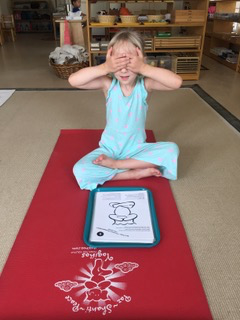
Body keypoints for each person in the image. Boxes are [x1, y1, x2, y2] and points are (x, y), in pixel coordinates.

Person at [68, 30, 182, 191]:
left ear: (142, 62)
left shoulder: (145, 85)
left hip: (136, 149)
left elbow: (176, 83)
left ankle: (118, 166)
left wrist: (144, 68)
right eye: (118, 65)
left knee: (172, 149)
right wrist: (104, 67)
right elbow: (73, 80)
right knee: (80, 169)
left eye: (130, 64)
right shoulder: (108, 85)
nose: (123, 70)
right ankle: (132, 174)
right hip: (109, 149)